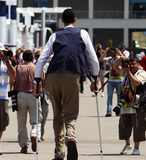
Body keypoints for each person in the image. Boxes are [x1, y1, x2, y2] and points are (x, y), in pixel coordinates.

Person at [34, 9, 99, 160]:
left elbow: (42, 58)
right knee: (70, 112)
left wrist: (37, 81)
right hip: (72, 75)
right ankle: (71, 137)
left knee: (58, 114)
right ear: (75, 20)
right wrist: (94, 79)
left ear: (62, 20)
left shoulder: (55, 35)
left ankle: (59, 151)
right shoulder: (82, 33)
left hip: (53, 75)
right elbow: (93, 59)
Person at [113, 56, 146, 155]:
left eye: (133, 64)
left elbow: (136, 83)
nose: (131, 66)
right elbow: (114, 66)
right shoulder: (125, 72)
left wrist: (128, 72)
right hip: (125, 105)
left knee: (138, 126)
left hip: (138, 104)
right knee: (124, 126)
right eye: (130, 64)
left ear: (138, 64)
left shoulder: (142, 73)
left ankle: (137, 148)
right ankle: (128, 144)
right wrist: (121, 59)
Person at [14, 50, 44, 153]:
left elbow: (13, 81)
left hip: (21, 95)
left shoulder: (17, 68)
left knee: (21, 122)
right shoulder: (37, 68)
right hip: (34, 95)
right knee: (36, 121)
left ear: (23, 58)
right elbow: (43, 83)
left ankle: (24, 145)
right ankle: (34, 134)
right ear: (32, 58)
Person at [99, 47, 123, 117]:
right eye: (111, 55)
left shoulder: (120, 59)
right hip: (111, 81)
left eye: (114, 55)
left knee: (119, 97)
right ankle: (109, 112)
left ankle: (118, 111)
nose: (113, 57)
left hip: (119, 80)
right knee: (109, 97)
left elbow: (125, 58)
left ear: (116, 54)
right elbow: (101, 59)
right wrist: (105, 53)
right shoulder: (110, 59)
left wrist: (120, 53)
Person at [33, 49, 51, 141]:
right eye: (37, 56)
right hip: (35, 95)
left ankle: (41, 132)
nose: (39, 58)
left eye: (41, 56)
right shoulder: (33, 66)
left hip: (46, 96)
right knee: (36, 116)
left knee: (44, 115)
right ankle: (36, 134)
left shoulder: (48, 66)